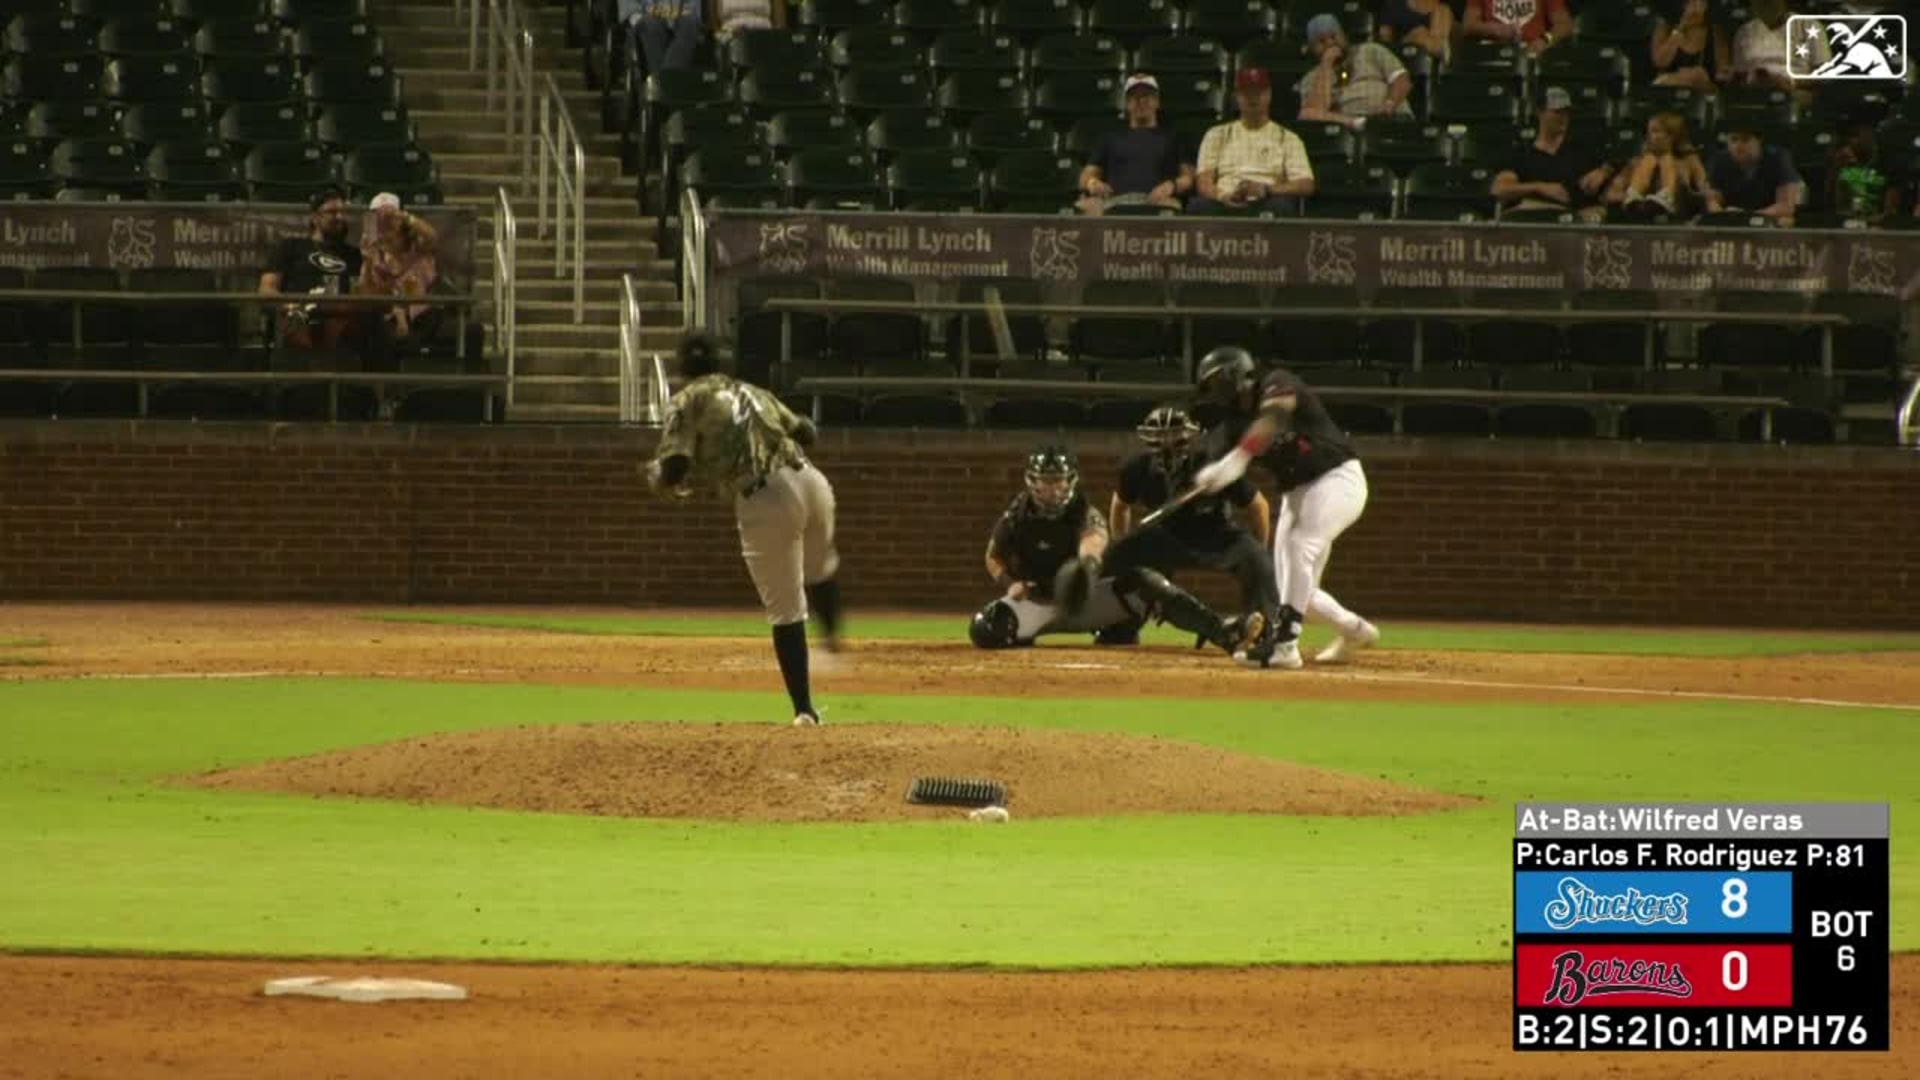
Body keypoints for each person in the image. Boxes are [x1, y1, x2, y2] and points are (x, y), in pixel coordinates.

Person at [646, 332, 844, 726]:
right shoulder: (751, 390)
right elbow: (807, 432)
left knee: (785, 610)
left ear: (682, 368)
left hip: (765, 496)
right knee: (819, 566)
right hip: (811, 480)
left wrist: (658, 477)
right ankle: (833, 643)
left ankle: (804, 711)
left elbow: (676, 467)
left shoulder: (687, 400)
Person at [972, 445, 1268, 660]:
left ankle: (1224, 632)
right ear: (1033, 482)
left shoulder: (1083, 512)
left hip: (1083, 601)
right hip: (1036, 601)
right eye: (1046, 481)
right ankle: (1114, 630)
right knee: (985, 629)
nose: (1053, 489)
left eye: (1058, 481)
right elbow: (993, 556)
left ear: (1070, 481)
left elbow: (1095, 538)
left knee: (1144, 581)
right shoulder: (1017, 515)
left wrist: (1087, 563)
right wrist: (1009, 583)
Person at [1189, 347, 1379, 671]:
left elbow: (1271, 422)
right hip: (1297, 493)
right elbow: (1223, 461)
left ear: (1237, 375)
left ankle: (1285, 646)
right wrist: (1213, 477)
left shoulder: (1277, 382)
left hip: (1337, 478)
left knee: (1300, 547)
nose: (1215, 391)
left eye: (1218, 381)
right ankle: (1354, 630)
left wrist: (1234, 461)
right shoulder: (1233, 424)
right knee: (1293, 585)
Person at [1106, 405, 1278, 651]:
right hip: (1165, 537)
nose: (1167, 444)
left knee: (1259, 562)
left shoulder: (1212, 466)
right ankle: (1121, 625)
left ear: (1189, 436)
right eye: (1159, 437)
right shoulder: (1136, 468)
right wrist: (1122, 542)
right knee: (1116, 555)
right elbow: (1120, 506)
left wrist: (1260, 550)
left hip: (1217, 535)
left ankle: (1265, 635)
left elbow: (1258, 505)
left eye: (1174, 436)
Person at [1190, 68, 1316, 216]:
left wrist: (1266, 189)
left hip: (1267, 200)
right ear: (1237, 96)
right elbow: (1204, 182)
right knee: (1197, 206)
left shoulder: (1287, 138)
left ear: (1268, 95)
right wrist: (1223, 196)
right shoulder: (1217, 134)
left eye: (1258, 93)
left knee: (1281, 207)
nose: (1252, 98)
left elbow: (1306, 184)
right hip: (1225, 199)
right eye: (1246, 93)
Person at [259, 186, 364, 354]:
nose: (340, 217)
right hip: (301, 313)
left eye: (342, 212)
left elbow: (360, 293)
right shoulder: (290, 247)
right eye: (332, 212)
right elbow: (266, 289)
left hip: (341, 318)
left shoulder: (354, 255)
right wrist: (290, 306)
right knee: (296, 323)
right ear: (315, 217)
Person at [1076, 74, 1193, 215]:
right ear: (1127, 104)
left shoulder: (1173, 137)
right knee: (1083, 207)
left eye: (1147, 97)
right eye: (1135, 98)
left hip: (1158, 201)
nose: (1141, 102)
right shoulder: (1110, 137)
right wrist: (1093, 184)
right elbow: (1085, 177)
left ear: (1157, 102)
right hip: (1114, 200)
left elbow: (1189, 178)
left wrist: (1172, 186)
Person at [1490, 87, 1614, 220]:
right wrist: (1539, 187)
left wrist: (1604, 171)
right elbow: (1499, 189)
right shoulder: (1521, 155)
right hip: (1530, 219)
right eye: (1557, 112)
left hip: (1568, 221)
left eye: (1566, 112)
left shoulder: (1581, 153)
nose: (1563, 118)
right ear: (1540, 112)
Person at [1297, 14, 1415, 130]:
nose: (1330, 43)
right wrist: (1326, 65)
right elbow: (1314, 112)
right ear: (1312, 48)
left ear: (1343, 35)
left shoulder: (1371, 50)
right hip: (1347, 127)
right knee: (1306, 114)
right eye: (1321, 41)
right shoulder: (1311, 78)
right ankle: (1358, 123)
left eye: (1333, 36)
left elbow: (1401, 79)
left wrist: (1389, 104)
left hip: (1388, 116)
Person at [358, 192, 441, 354]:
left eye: (389, 217)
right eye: (379, 218)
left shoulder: (418, 245)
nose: (385, 222)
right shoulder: (373, 252)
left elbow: (432, 237)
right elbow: (365, 291)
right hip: (389, 317)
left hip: (423, 314)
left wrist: (401, 216)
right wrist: (367, 262)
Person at [1608, 111, 1709, 221]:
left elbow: (1704, 188)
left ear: (1672, 135)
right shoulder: (1638, 161)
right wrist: (1625, 197)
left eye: (1656, 131)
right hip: (1640, 214)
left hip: (1677, 214)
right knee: (1648, 161)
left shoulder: (1689, 160)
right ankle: (1637, 199)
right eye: (1649, 132)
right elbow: (1613, 193)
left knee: (1667, 160)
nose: (1649, 136)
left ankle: (1664, 198)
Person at [1703, 123, 1803, 220]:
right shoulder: (1719, 160)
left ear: (1759, 140)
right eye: (1733, 139)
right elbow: (1712, 202)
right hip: (1730, 223)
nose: (1738, 145)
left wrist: (1746, 217)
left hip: (1769, 224)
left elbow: (1785, 207)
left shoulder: (1779, 158)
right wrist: (1724, 216)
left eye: (1745, 139)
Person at [1730, 0, 1825, 89]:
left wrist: (1792, 82)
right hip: (1755, 92)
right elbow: (1740, 74)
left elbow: (1824, 73)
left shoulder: (1809, 25)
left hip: (1796, 89)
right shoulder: (1743, 32)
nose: (1765, 3)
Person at [1827, 114, 1902, 223]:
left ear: (1870, 134)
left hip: (1878, 225)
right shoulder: (1843, 160)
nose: (1852, 141)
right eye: (1850, 136)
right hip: (1845, 223)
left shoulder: (1888, 161)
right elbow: (1833, 204)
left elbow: (1891, 210)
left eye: (1856, 135)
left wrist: (1873, 220)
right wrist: (1835, 168)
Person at [1651, 0, 1729, 92]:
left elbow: (1722, 72)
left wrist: (1705, 79)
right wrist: (1681, 27)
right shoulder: (1665, 28)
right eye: (1690, 3)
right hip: (1668, 91)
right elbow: (1660, 62)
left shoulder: (1715, 32)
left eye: (1700, 3)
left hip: (1702, 93)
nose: (1695, 8)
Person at [619, 0, 704, 74]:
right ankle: (667, 83)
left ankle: (662, 81)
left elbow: (693, 8)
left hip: (680, 14)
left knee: (691, 23)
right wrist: (647, 12)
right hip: (646, 16)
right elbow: (630, 8)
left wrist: (677, 12)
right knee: (650, 24)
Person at [1463, 0, 1574, 57]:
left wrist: (1545, 40)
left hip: (1534, 56)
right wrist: (1494, 29)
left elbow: (1565, 24)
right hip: (1494, 55)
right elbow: (1468, 25)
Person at [1374, 0, 1454, 65]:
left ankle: (1439, 50)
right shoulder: (1393, 5)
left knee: (1443, 10)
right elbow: (1385, 43)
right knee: (1420, 35)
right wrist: (1410, 39)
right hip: (1404, 53)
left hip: (1432, 56)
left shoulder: (1442, 9)